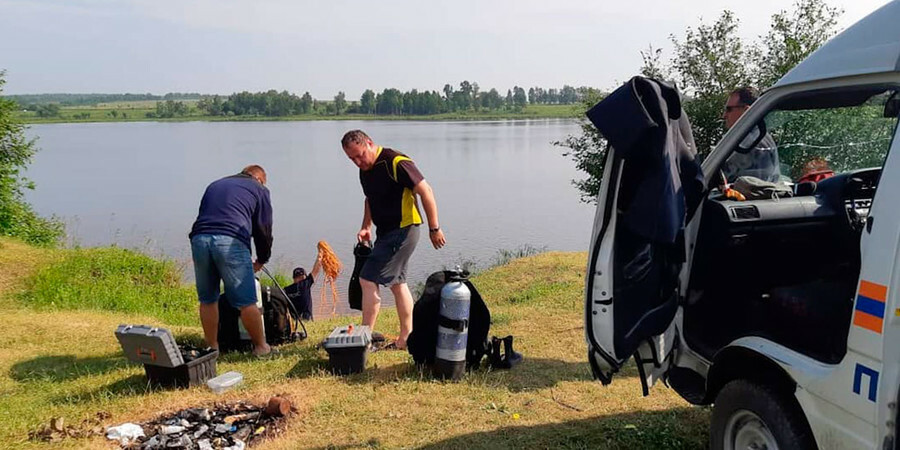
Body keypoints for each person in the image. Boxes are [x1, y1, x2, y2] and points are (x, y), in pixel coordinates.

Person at [341, 129, 446, 349]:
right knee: (398, 284)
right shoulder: (365, 171)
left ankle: (364, 339)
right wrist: (366, 226)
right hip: (386, 232)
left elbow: (426, 191)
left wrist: (434, 228)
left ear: (369, 143)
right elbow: (369, 199)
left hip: (404, 229)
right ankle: (406, 339)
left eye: (360, 155)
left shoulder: (395, 161)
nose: (358, 161)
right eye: (352, 159)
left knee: (367, 279)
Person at [189, 165, 273, 357]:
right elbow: (263, 228)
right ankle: (261, 347)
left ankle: (212, 348)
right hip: (230, 241)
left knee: (208, 299)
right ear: (260, 179)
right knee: (247, 302)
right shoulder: (259, 189)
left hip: (199, 240)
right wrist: (262, 259)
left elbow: (206, 216)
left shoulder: (215, 184)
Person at [721, 87, 782, 183]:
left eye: (729, 109)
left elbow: (720, 177)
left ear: (746, 111)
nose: (724, 115)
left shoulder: (750, 142)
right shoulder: (757, 135)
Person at [283, 253, 322, 321]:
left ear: (294, 279)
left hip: (293, 319)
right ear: (304, 276)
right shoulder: (305, 283)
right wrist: (320, 255)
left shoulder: (286, 290)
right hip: (306, 317)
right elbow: (316, 269)